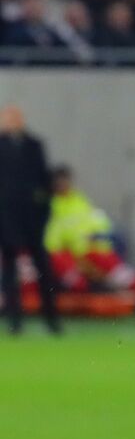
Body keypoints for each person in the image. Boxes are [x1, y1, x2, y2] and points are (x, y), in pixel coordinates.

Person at [0, 104, 62, 335]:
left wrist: (42, 214)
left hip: (32, 221)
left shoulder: (34, 145)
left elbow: (44, 182)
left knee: (43, 270)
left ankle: (52, 318)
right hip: (6, 221)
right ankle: (14, 321)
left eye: (14, 117)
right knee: (10, 273)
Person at [45, 165, 135, 299]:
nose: (63, 186)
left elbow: (100, 225)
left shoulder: (81, 201)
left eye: (65, 181)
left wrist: (99, 238)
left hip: (94, 251)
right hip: (68, 254)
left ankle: (114, 294)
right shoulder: (50, 206)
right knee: (77, 283)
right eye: (59, 183)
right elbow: (52, 240)